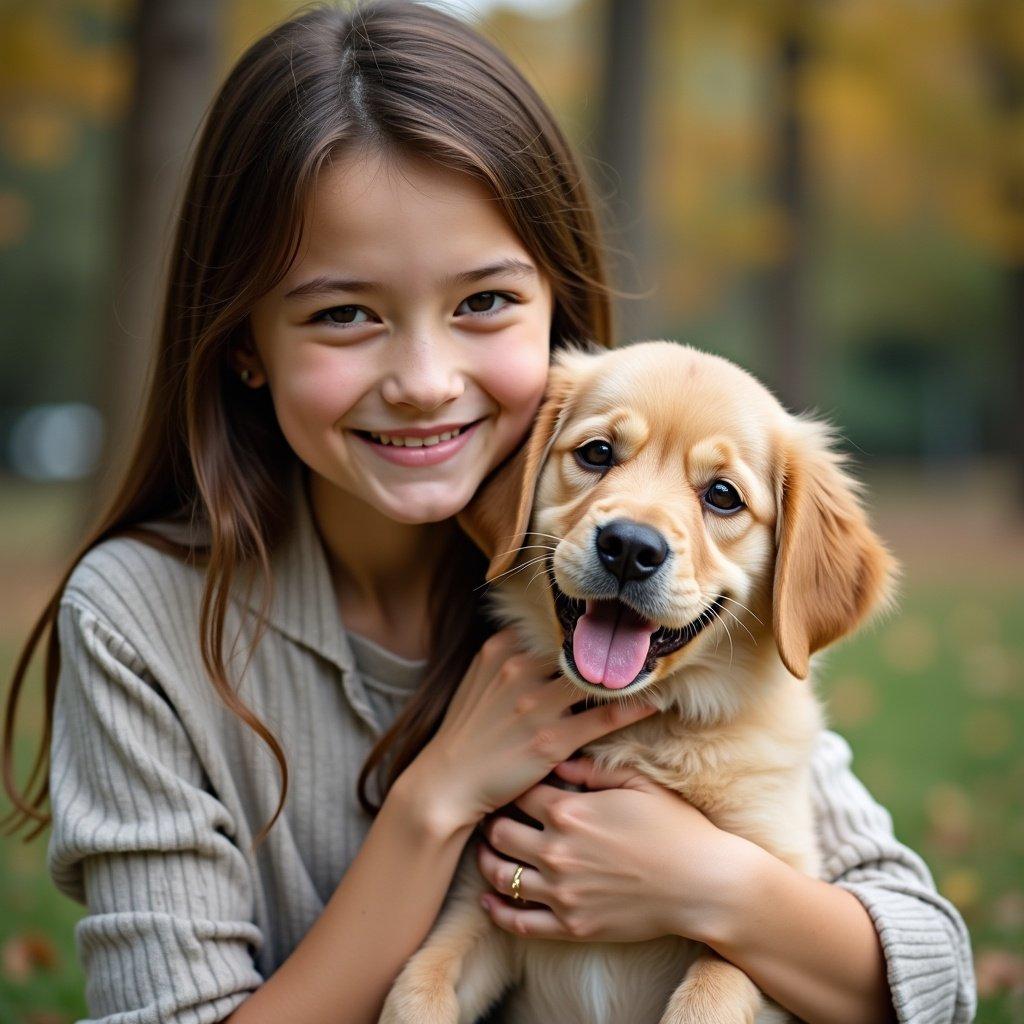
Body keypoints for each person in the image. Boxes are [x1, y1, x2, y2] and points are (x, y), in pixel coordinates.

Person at [1, 3, 976, 1023]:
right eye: (344, 312)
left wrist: (707, 885)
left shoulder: (657, 646)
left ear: (553, 305)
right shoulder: (140, 620)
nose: (424, 382)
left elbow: (934, 976)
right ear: (242, 338)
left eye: (482, 302)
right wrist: (435, 802)